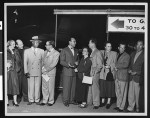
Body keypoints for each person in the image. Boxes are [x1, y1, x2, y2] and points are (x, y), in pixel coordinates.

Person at [24, 36, 44, 105]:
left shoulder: (42, 51)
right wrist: (26, 71)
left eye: (38, 42)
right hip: (30, 71)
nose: (37, 43)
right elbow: (25, 62)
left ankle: (37, 99)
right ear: (32, 42)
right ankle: (31, 99)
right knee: (30, 86)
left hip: (38, 71)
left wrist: (42, 70)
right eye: (35, 42)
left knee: (38, 86)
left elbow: (43, 62)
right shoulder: (27, 51)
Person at [126, 40, 144, 112]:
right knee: (131, 94)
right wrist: (129, 70)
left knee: (138, 94)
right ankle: (130, 107)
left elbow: (145, 68)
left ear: (143, 46)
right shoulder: (132, 53)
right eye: (138, 44)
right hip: (131, 77)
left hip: (138, 77)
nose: (139, 46)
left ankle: (138, 108)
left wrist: (137, 72)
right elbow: (130, 65)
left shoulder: (145, 54)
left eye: (141, 45)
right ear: (136, 45)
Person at [40, 40, 60, 106]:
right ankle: (44, 100)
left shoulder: (56, 53)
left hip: (51, 73)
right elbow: (42, 61)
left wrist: (46, 69)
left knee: (51, 87)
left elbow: (54, 64)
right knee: (44, 87)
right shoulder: (45, 52)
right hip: (44, 72)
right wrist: (42, 68)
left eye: (46, 45)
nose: (45, 46)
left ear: (51, 46)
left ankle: (51, 101)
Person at [60, 37, 79, 107]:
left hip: (74, 71)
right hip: (67, 71)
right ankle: (66, 101)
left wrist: (77, 63)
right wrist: (68, 64)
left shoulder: (76, 50)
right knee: (66, 87)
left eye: (75, 41)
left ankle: (72, 100)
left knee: (73, 87)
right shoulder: (64, 50)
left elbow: (77, 60)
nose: (75, 43)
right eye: (74, 41)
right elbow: (61, 61)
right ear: (69, 42)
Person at [99, 42, 117, 109]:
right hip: (102, 73)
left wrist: (110, 66)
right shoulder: (101, 52)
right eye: (108, 46)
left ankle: (108, 102)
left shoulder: (114, 53)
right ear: (105, 47)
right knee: (103, 87)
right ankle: (103, 101)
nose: (109, 47)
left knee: (109, 88)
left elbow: (115, 64)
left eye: (110, 46)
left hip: (109, 73)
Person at [87, 39, 103, 109]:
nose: (88, 44)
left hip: (94, 73)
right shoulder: (92, 52)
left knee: (95, 88)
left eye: (89, 43)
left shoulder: (98, 52)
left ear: (93, 44)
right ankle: (90, 102)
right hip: (90, 72)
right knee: (90, 88)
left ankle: (96, 104)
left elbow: (100, 65)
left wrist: (95, 72)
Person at [114, 43, 130, 112]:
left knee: (123, 93)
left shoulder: (127, 56)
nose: (122, 49)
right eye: (121, 47)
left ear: (125, 49)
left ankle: (122, 107)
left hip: (123, 76)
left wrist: (116, 66)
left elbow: (125, 64)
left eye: (123, 48)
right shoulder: (117, 54)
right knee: (118, 92)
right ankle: (118, 105)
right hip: (117, 76)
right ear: (118, 48)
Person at [7, 40, 21, 106]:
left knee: (15, 86)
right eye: (12, 44)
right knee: (7, 86)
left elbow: (18, 60)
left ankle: (15, 101)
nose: (14, 45)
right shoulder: (6, 51)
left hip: (14, 71)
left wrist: (17, 68)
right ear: (9, 44)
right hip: (7, 71)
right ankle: (6, 101)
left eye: (14, 44)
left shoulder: (16, 51)